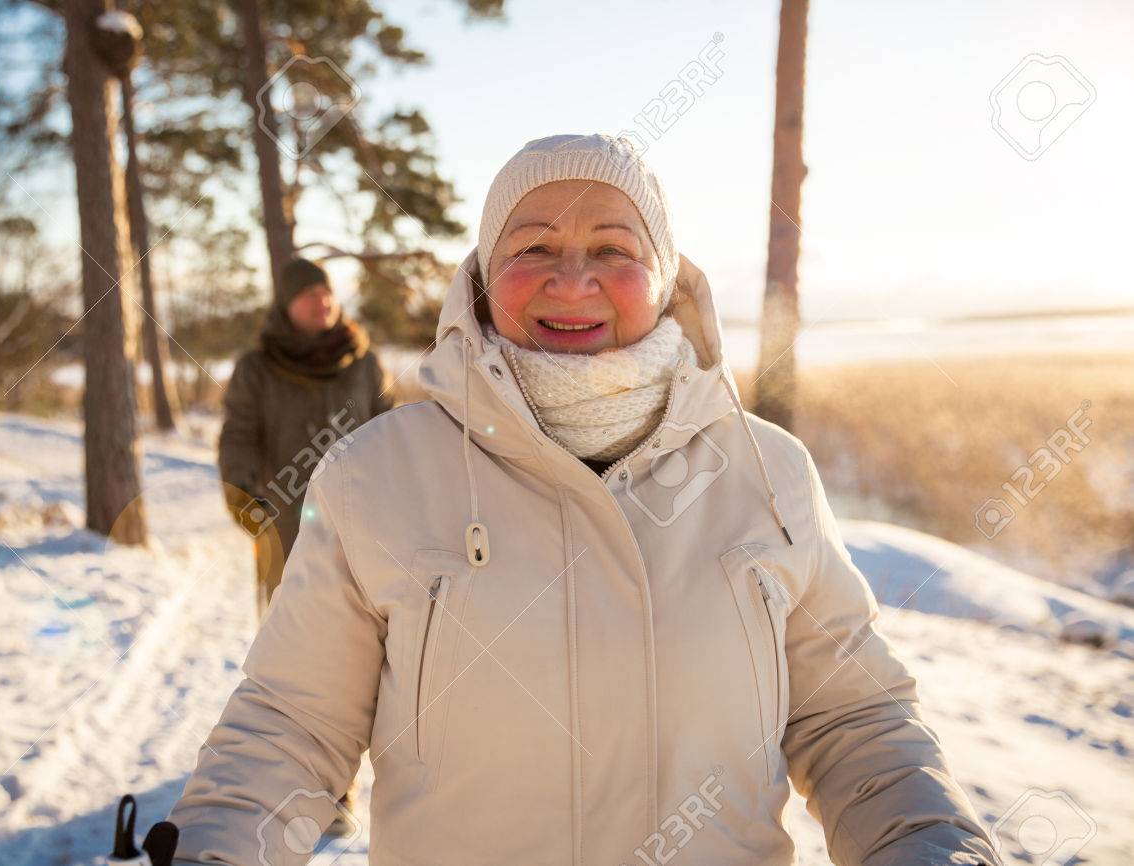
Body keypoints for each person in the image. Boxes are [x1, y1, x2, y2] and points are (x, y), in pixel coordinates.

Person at [173, 135, 1000, 865]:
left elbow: (856, 721)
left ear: (667, 273)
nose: (573, 280)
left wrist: (935, 851)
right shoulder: (374, 478)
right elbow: (293, 724)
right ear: (484, 276)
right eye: (533, 246)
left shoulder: (768, 472)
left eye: (613, 247)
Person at [217, 257, 393, 620]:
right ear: (286, 304)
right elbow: (239, 434)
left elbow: (392, 430)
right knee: (287, 630)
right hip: (284, 522)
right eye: (309, 293)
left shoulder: (364, 362)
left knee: (363, 628)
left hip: (362, 519)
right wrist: (241, 492)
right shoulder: (257, 367)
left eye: (327, 291)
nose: (322, 301)